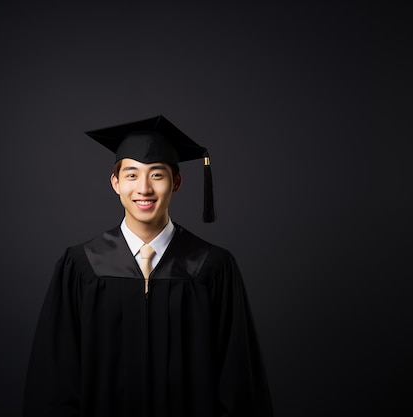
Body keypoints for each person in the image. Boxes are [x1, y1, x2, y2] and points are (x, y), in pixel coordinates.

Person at [23, 115, 273, 417]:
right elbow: (55, 381)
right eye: (131, 175)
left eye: (157, 175)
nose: (144, 188)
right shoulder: (82, 267)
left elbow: (238, 381)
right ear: (115, 183)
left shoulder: (213, 268)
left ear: (176, 182)